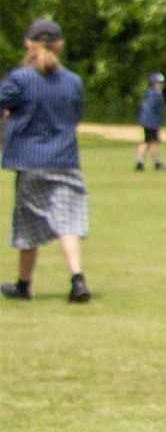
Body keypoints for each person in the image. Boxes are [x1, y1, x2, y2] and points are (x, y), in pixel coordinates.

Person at [1, 18, 92, 303]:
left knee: (28, 224)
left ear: (28, 43)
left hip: (30, 161)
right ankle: (77, 278)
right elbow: (74, 116)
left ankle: (24, 285)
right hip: (64, 159)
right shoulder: (73, 82)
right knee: (68, 222)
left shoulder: (20, 79)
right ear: (60, 45)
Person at [135, 72, 166, 172]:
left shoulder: (149, 93)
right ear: (153, 83)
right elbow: (150, 109)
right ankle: (156, 163)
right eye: (158, 82)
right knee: (152, 142)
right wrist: (155, 124)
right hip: (151, 122)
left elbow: (143, 106)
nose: (160, 84)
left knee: (147, 142)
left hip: (146, 121)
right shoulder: (155, 94)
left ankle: (139, 162)